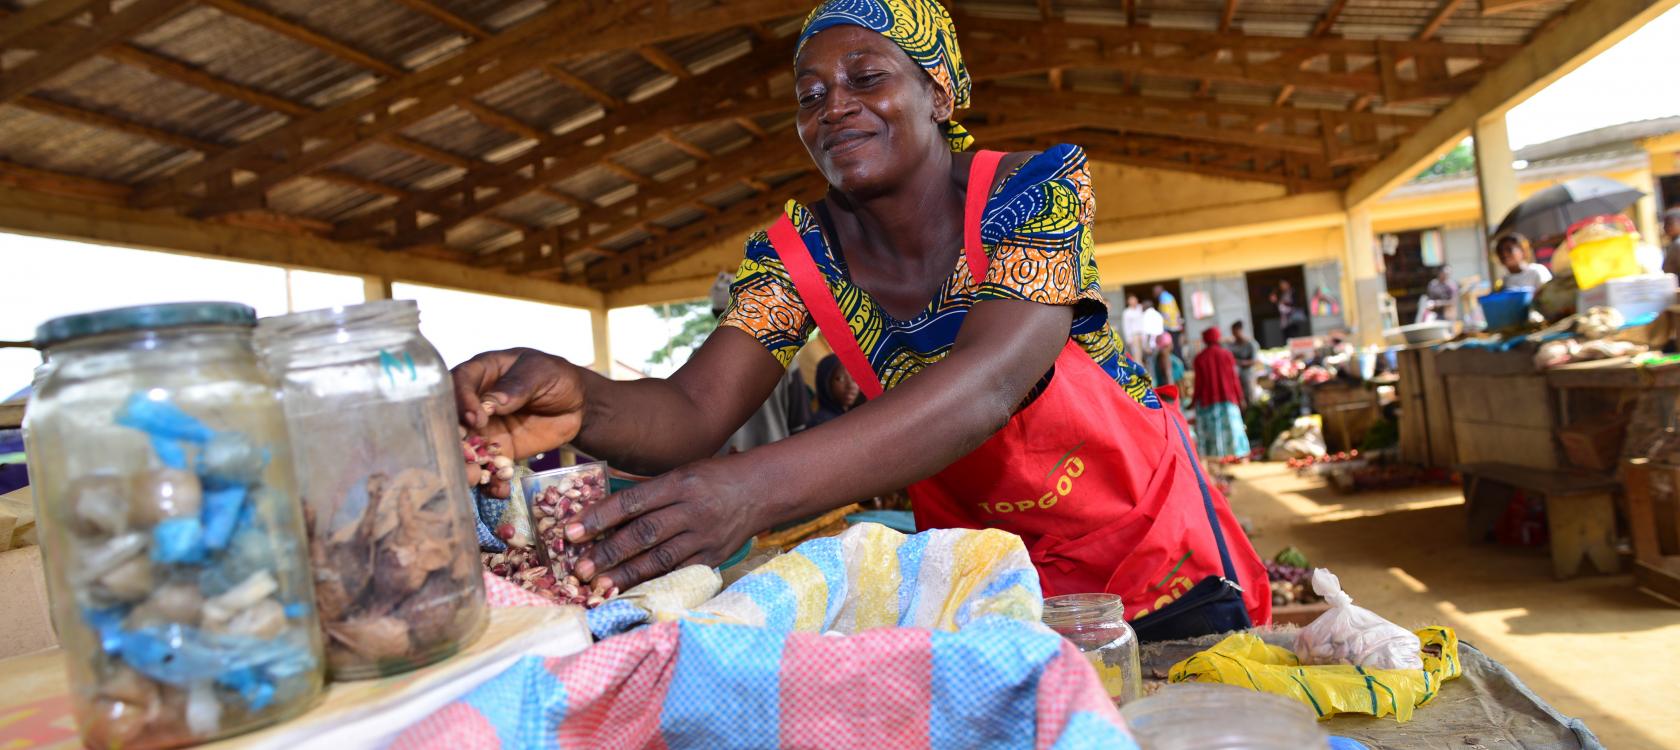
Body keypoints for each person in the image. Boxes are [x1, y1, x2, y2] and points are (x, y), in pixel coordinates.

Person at [450, 0, 1269, 633]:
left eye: (866, 78)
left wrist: (753, 490)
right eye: (811, 96)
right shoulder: (800, 256)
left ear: (939, 91)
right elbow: (693, 412)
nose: (833, 105)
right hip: (996, 578)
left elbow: (988, 384)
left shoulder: (1033, 191)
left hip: (1153, 555)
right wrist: (582, 398)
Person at [711, 273, 811, 453]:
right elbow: (799, 422)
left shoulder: (699, 358)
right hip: (774, 461)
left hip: (724, 465)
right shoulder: (782, 352)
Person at [1191, 328, 1250, 473]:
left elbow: (1198, 383)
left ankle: (1214, 458)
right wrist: (1240, 397)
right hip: (1228, 399)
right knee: (1233, 428)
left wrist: (1193, 401)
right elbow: (1234, 379)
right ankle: (1239, 458)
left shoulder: (1200, 358)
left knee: (1212, 431)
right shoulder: (1227, 355)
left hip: (1207, 402)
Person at [807, 353, 861, 428]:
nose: (850, 385)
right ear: (825, 382)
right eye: (840, 379)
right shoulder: (821, 423)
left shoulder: (856, 416)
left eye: (855, 378)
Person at [1226, 320, 1257, 409]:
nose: (1233, 334)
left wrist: (1240, 363)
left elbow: (1254, 360)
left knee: (1249, 396)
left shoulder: (1250, 344)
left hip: (1247, 374)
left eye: (1235, 331)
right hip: (1235, 376)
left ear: (1240, 330)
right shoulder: (1232, 345)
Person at [1154, 284, 1184, 350]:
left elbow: (1166, 314)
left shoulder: (1164, 298)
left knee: (1173, 347)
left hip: (1171, 327)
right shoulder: (1168, 296)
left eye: (1154, 291)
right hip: (1175, 326)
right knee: (1176, 346)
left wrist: (1164, 327)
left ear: (1159, 290)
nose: (1154, 294)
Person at [1138, 298, 1165, 363]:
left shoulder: (1145, 315)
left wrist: (1147, 346)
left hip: (1151, 344)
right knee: (1158, 364)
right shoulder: (1158, 314)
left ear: (1146, 306)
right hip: (1160, 342)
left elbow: (1148, 332)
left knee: (1151, 364)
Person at [1120, 294, 1145, 363]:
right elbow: (1126, 326)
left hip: (1142, 334)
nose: (1133, 301)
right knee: (1136, 354)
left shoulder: (1140, 309)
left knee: (1143, 354)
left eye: (1134, 299)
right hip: (1134, 335)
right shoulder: (1127, 312)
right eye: (1131, 300)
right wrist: (1128, 338)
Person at [1662, 208, 1680, 278]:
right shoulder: (1673, 243)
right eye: (1665, 224)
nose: (1665, 227)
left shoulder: (1678, 244)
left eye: (1669, 223)